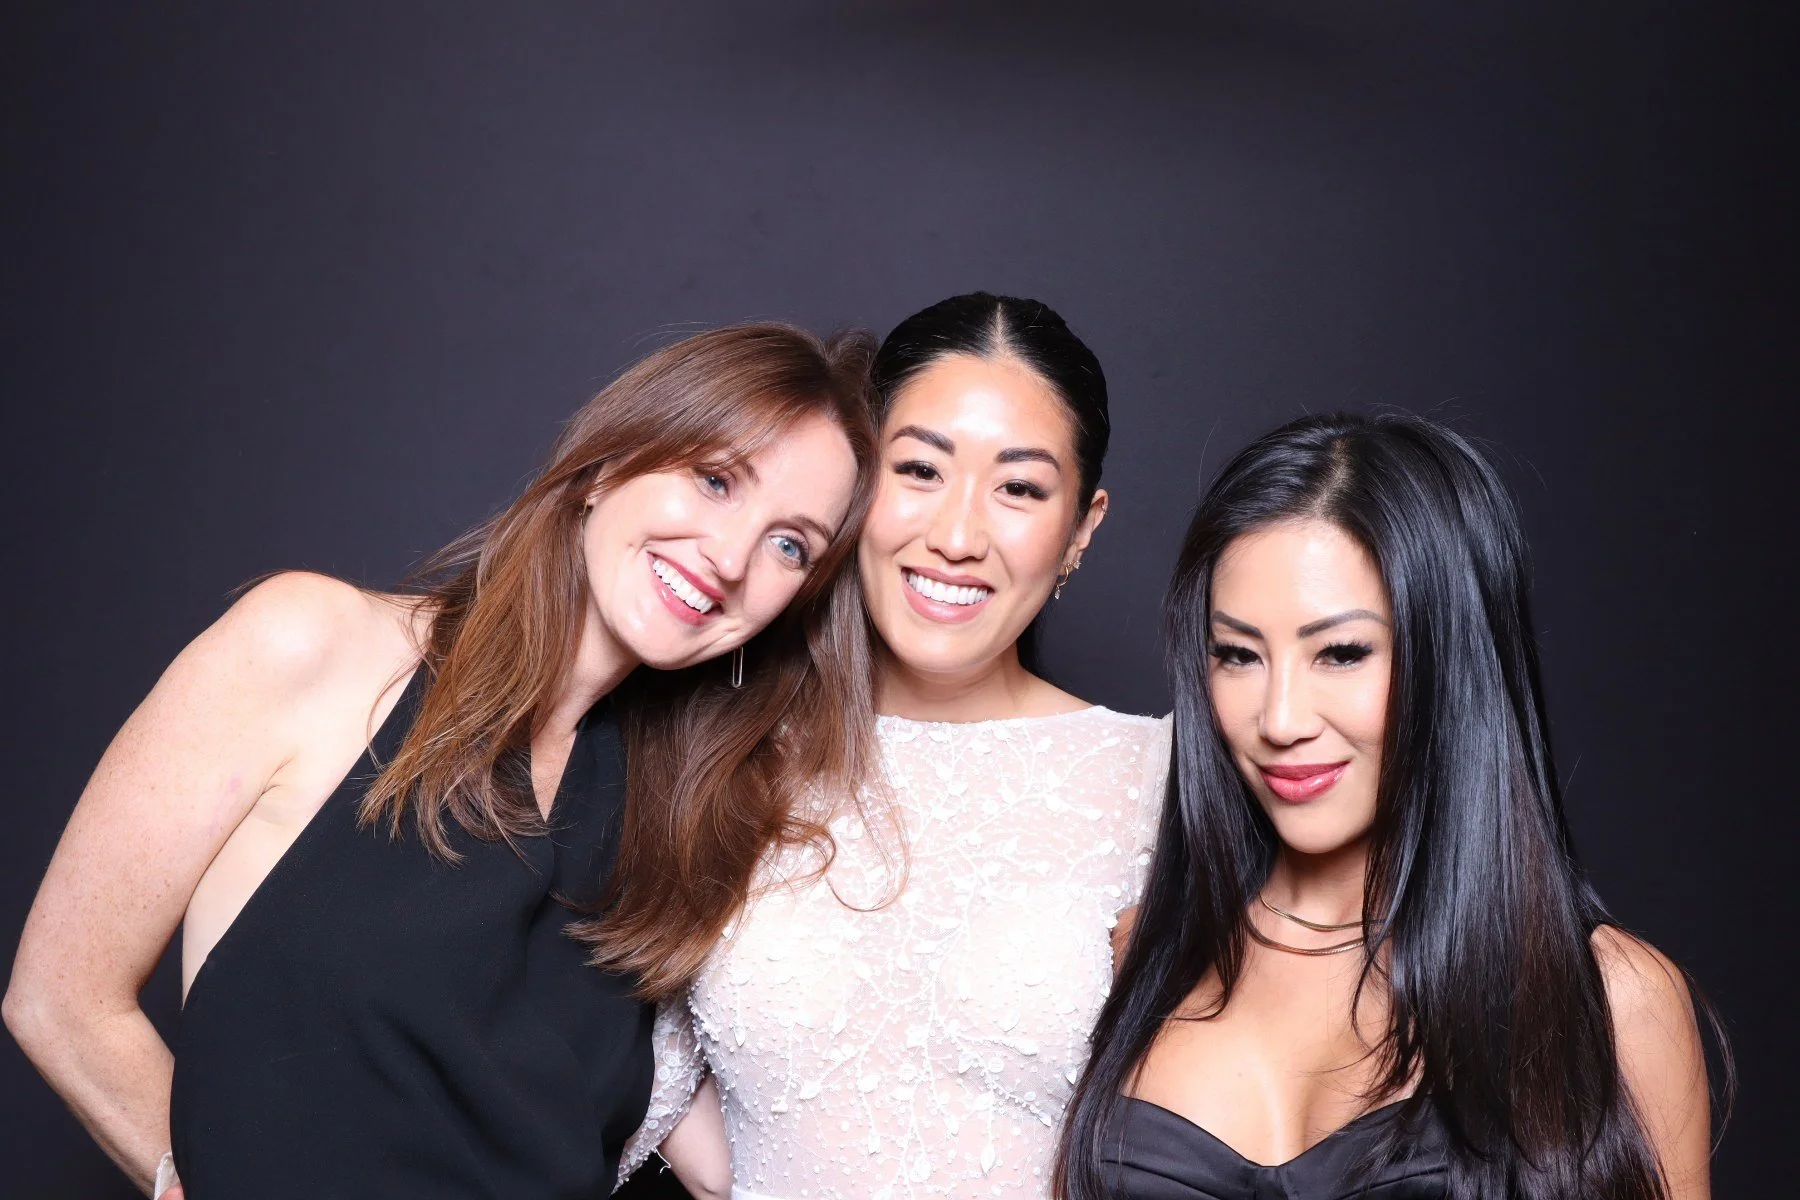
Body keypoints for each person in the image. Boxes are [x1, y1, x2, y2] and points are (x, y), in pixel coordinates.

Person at [4, 323, 881, 1200]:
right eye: (716, 479)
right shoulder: (316, 648)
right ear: (611, 464)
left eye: (789, 545)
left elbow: (743, 1157)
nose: (730, 559)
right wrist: (185, 1177)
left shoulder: (675, 818)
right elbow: (61, 998)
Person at [1056, 413, 1727, 1200]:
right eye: (1238, 655)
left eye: (1340, 653)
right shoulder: (1144, 955)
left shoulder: (1608, 1001)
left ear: (1451, 658)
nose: (1279, 719)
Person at [626, 293, 1172, 1200]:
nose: (956, 536)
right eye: (919, 470)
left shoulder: (1158, 780)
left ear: (1082, 528)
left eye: (1021, 488)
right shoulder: (724, 748)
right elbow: (619, 1078)